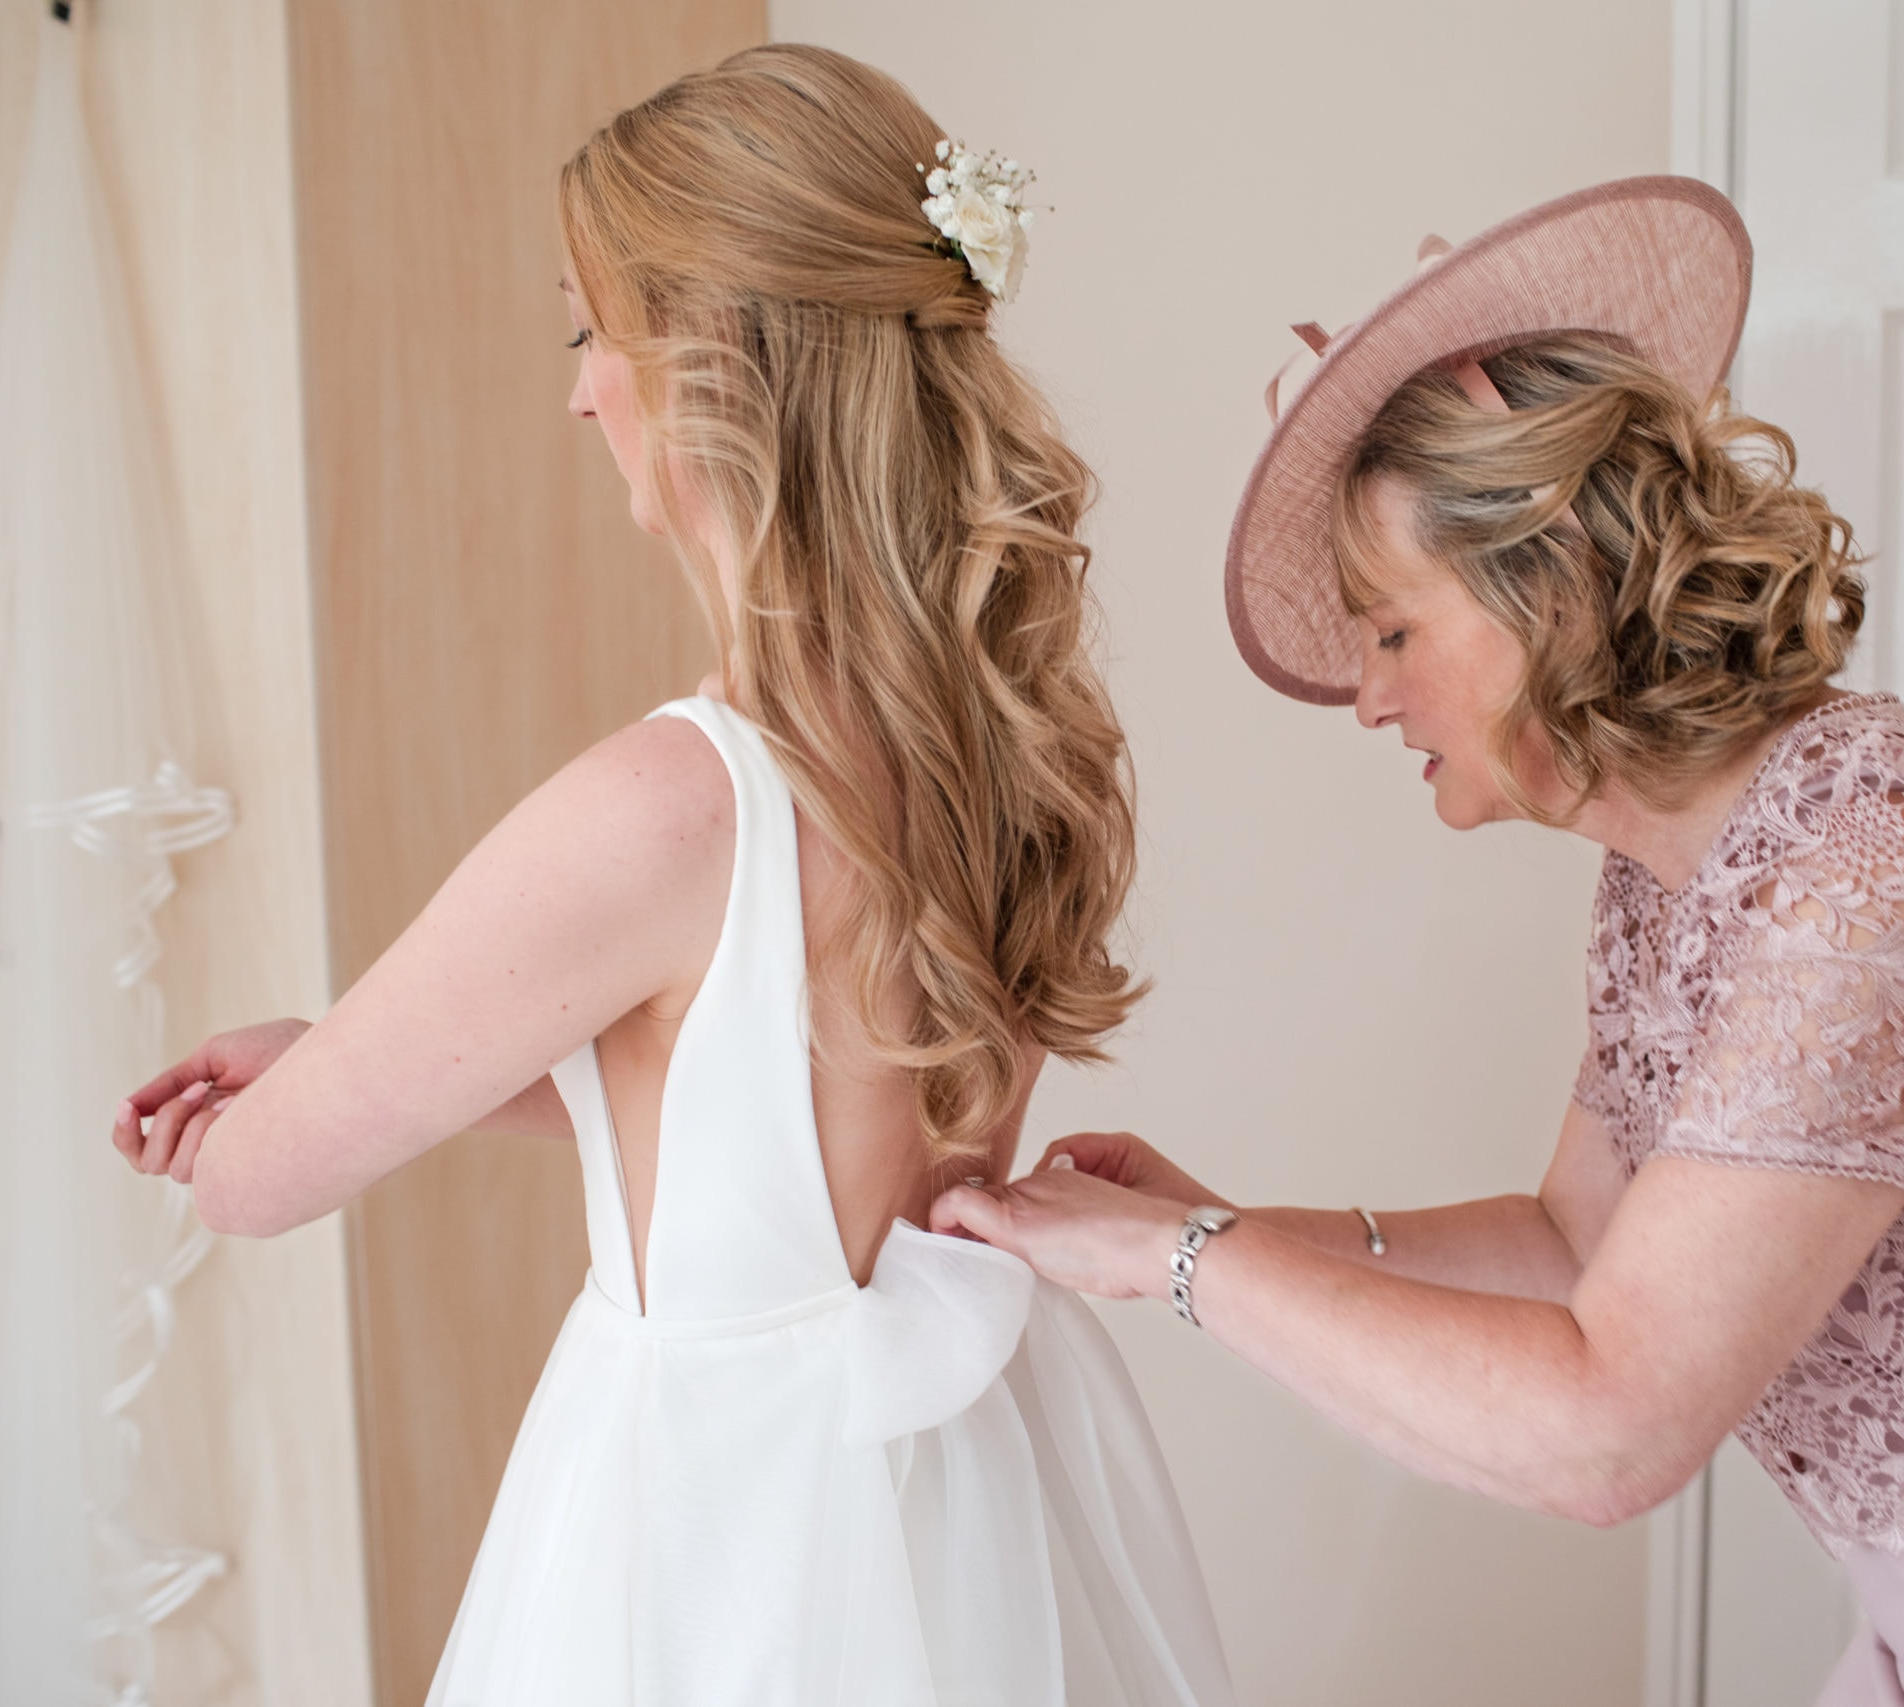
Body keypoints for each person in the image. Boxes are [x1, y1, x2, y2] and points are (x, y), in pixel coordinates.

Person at [934, 177, 1904, 1706]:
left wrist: (1176, 1259)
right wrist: (1249, 1225)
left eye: (1391, 633)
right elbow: (1580, 1248)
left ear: (1549, 588)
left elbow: (1608, 1429)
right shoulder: (1675, 874)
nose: (1368, 701)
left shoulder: (1876, 882)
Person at [115, 45, 1232, 1707]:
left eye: (592, 330)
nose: (579, 392)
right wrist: (358, 1046)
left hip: (730, 1539)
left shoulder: (674, 804)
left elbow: (249, 1182)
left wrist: (325, 1076)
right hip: (958, 1501)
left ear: (713, 363)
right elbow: (752, 1129)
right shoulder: (1001, 743)